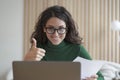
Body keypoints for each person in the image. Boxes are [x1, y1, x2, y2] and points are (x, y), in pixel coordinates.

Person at [24, 5, 104, 80]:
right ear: (44, 28)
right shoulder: (37, 48)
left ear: (67, 29)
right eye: (50, 29)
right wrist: (26, 61)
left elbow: (100, 77)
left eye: (61, 29)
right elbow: (24, 76)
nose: (56, 34)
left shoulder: (77, 49)